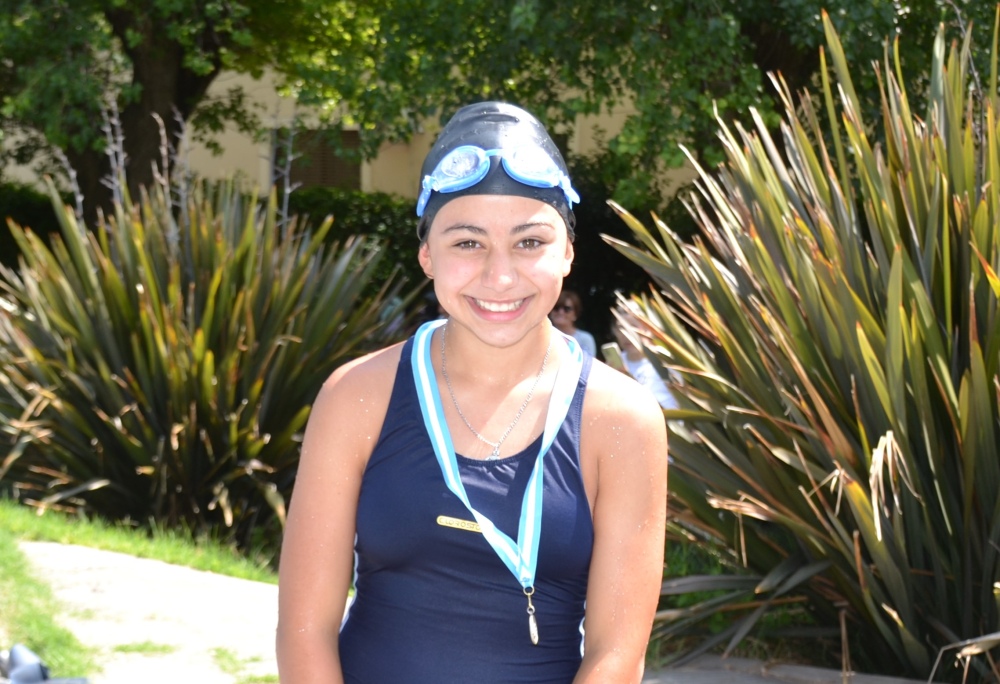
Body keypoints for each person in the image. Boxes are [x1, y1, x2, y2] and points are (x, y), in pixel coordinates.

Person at [276, 101, 668, 684]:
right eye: (467, 243)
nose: (500, 275)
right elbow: (304, 633)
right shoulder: (358, 397)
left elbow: (616, 656)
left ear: (568, 251)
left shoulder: (620, 419)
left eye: (530, 242)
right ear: (427, 254)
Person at [608, 306, 679, 411]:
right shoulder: (614, 365)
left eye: (633, 327)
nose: (626, 334)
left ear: (647, 328)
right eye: (621, 328)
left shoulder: (664, 357)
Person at [549, 289, 597, 356]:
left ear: (575, 315)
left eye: (567, 309)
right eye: (556, 308)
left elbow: (588, 365)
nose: (561, 312)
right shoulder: (543, 336)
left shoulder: (585, 339)